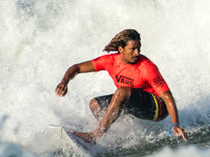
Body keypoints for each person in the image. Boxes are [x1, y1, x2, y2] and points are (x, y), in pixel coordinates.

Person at [56, 28, 187, 143]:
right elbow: (77, 67)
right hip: (135, 101)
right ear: (121, 49)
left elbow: (168, 97)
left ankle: (95, 135)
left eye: (138, 48)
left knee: (122, 92)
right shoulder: (110, 61)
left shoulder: (147, 67)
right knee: (95, 104)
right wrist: (64, 82)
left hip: (157, 108)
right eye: (133, 49)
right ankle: (112, 136)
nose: (137, 53)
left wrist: (175, 124)